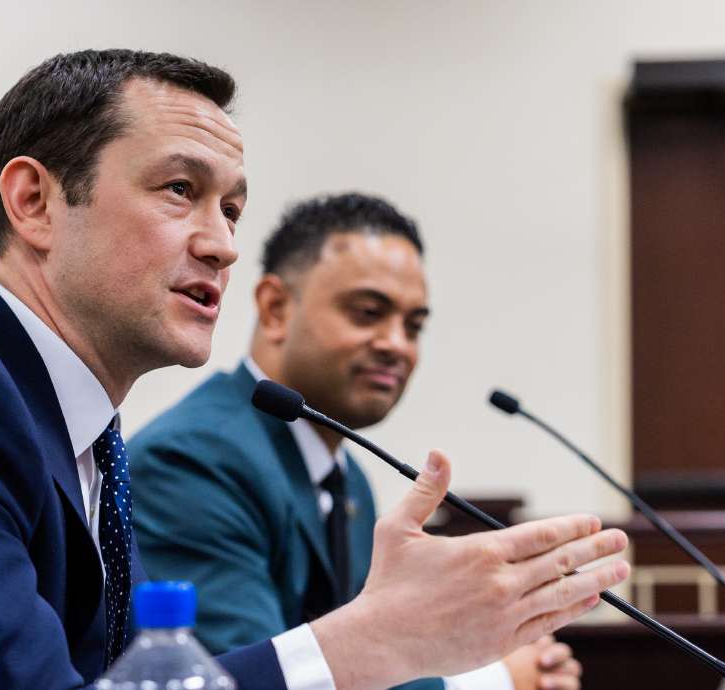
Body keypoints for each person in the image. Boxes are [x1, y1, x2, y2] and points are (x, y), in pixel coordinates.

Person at [0, 51, 628, 690]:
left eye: (234, 210)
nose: (221, 245)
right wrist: (375, 641)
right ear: (35, 203)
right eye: (180, 191)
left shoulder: (77, 424)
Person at [129, 193, 586, 690]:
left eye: (413, 325)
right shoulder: (195, 462)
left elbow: (368, 659)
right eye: (369, 313)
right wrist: (491, 681)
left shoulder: (351, 482)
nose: (397, 344)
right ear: (276, 308)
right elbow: (248, 676)